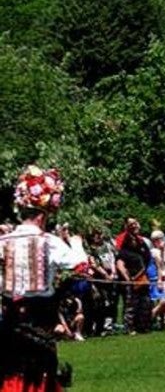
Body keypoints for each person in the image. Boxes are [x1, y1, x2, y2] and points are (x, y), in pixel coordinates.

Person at [0, 165, 88, 391]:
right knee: (41, 373)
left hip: (11, 318)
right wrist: (76, 242)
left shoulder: (3, 242)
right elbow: (81, 265)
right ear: (43, 214)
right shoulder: (50, 242)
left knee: (12, 370)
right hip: (40, 318)